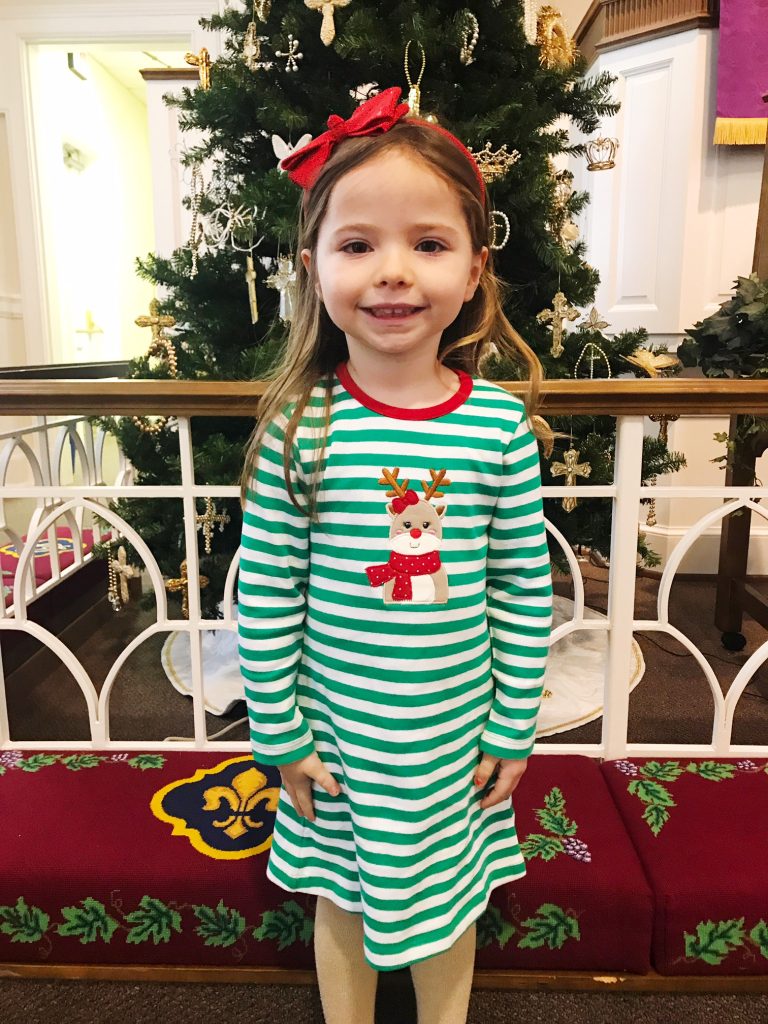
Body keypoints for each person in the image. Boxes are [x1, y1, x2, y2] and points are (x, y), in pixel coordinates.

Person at [237, 86, 554, 1024]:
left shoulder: (498, 428)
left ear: (475, 268)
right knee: (342, 899)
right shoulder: (302, 427)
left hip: (454, 739)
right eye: (357, 245)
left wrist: (511, 729)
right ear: (313, 268)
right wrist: (282, 735)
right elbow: (269, 596)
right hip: (339, 739)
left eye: (428, 243)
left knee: (453, 907)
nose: (393, 274)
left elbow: (521, 593)